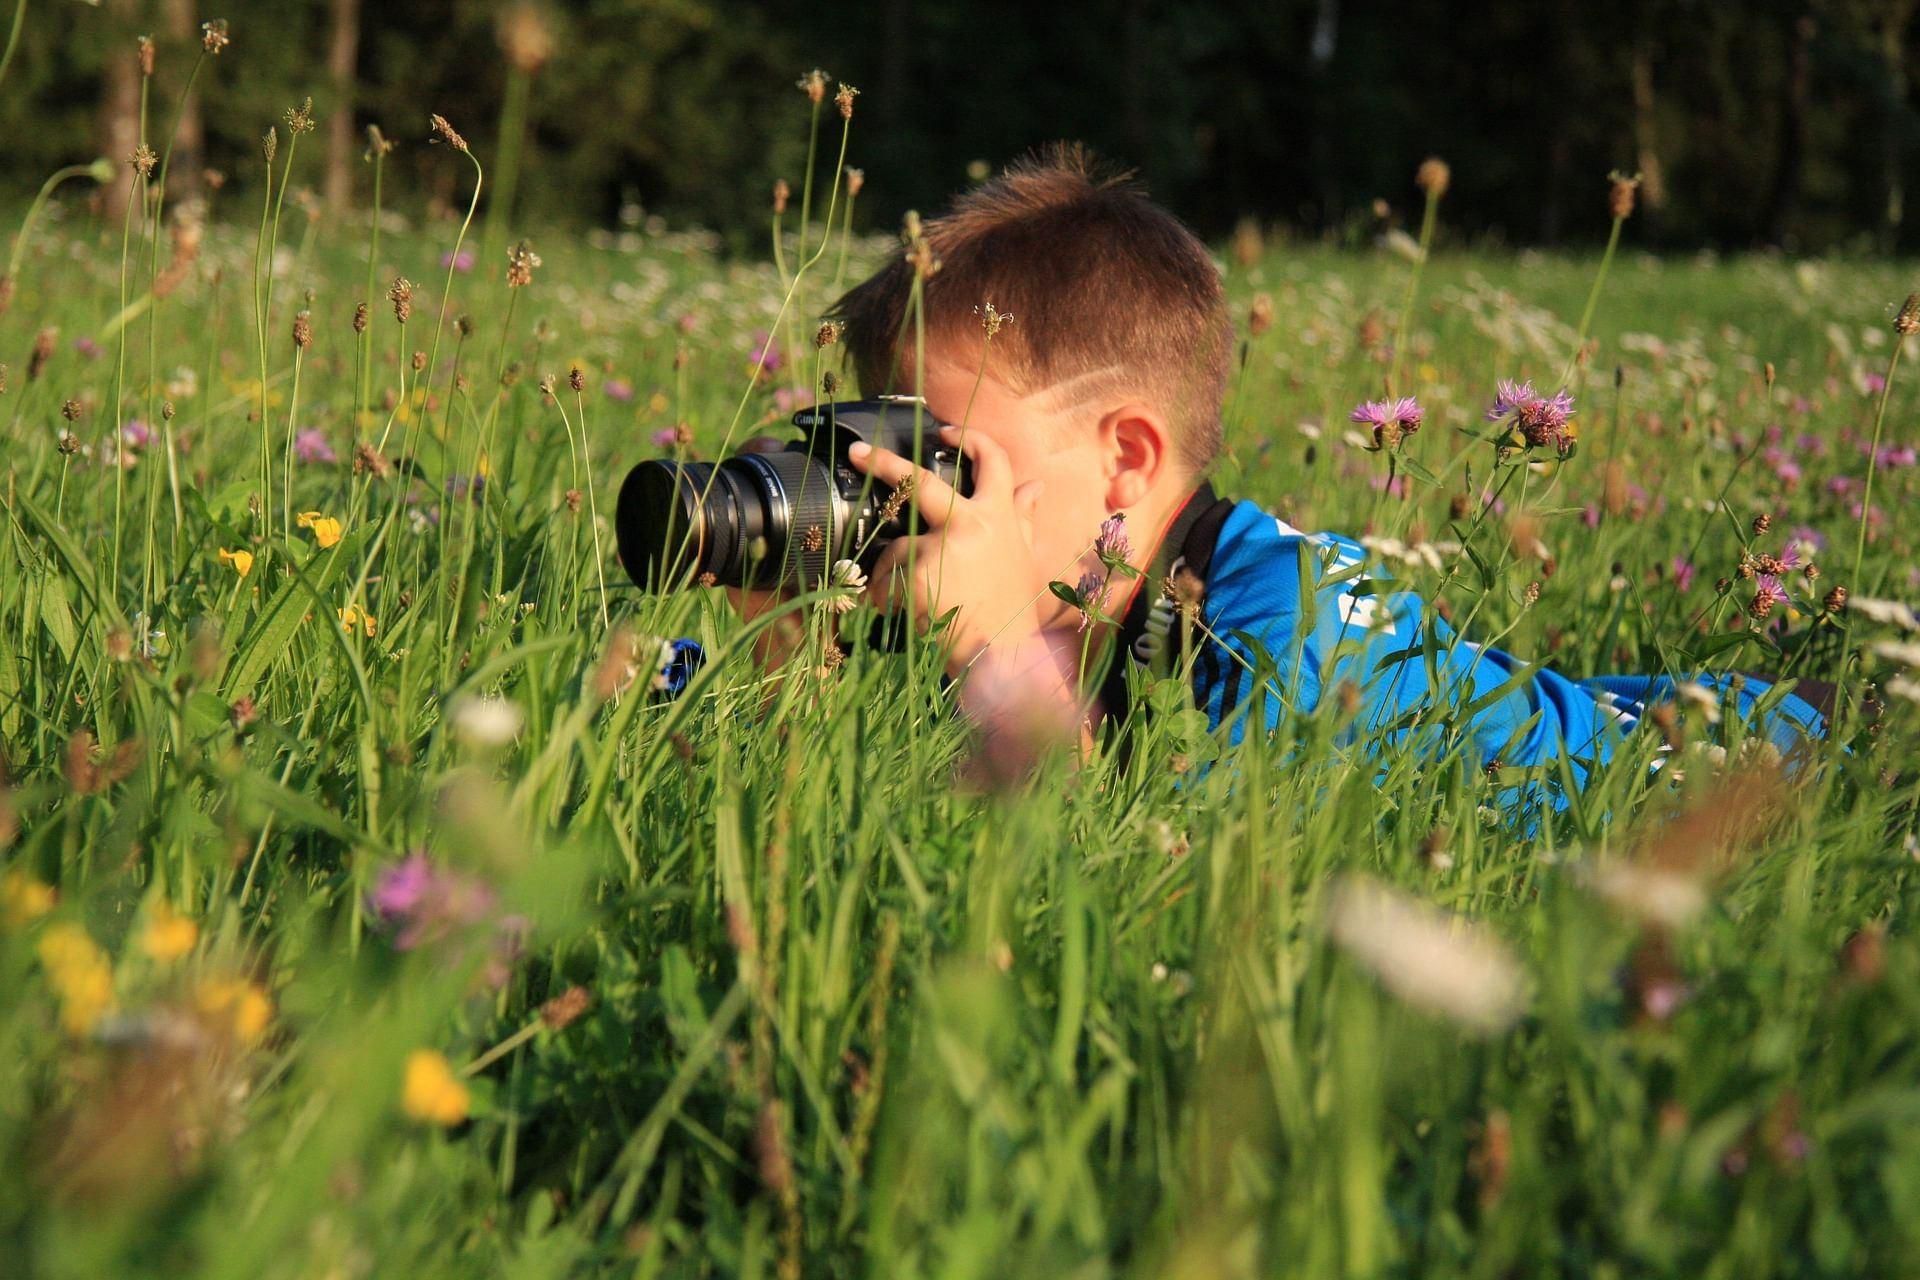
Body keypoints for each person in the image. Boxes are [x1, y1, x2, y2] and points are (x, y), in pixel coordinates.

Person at [756, 143, 1830, 800]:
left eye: (939, 449)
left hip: (1781, 763)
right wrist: (781, 657)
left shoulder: (1282, 627)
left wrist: (992, 653)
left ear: (1125, 460)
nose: (902, 485)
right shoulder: (1063, 620)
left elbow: (1145, 867)